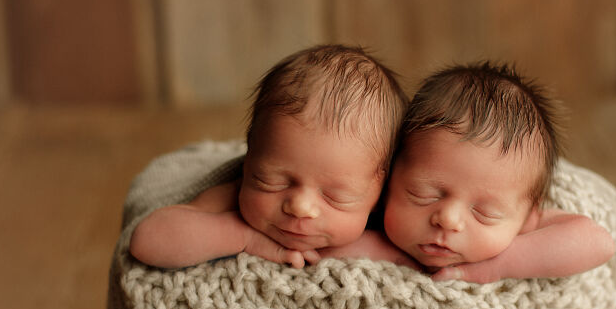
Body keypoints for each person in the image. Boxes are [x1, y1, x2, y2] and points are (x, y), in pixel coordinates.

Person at [129, 44, 408, 269]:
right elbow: (147, 241)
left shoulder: (386, 232)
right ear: (249, 158)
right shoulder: (233, 201)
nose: (300, 207)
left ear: (379, 197)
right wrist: (243, 237)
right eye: (271, 180)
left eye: (336, 196)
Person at [354, 62, 615, 283]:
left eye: (484, 213)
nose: (448, 220)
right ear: (387, 183)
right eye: (424, 194)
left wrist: (496, 267)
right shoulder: (373, 235)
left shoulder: (520, 230)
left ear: (528, 218)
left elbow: (599, 243)